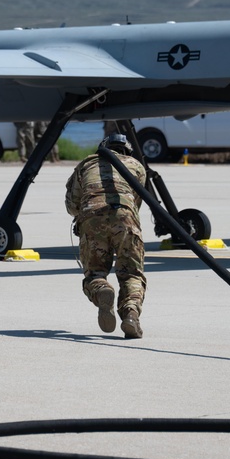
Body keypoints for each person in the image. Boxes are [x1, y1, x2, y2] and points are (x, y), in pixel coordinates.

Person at [65, 133, 148, 338]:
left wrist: (82, 216)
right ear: (127, 150)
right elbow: (136, 201)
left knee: (94, 273)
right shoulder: (137, 166)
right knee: (131, 273)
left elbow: (71, 203)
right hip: (125, 219)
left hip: (92, 219)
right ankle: (131, 316)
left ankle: (102, 289)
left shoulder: (86, 164)